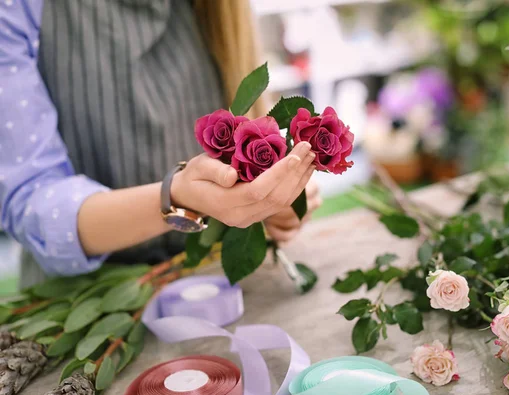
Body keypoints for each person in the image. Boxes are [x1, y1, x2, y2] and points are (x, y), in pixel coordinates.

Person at [0, 0, 322, 288]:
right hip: (80, 299)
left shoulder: (225, 10)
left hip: (213, 284)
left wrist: (266, 202)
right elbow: (30, 202)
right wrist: (175, 198)